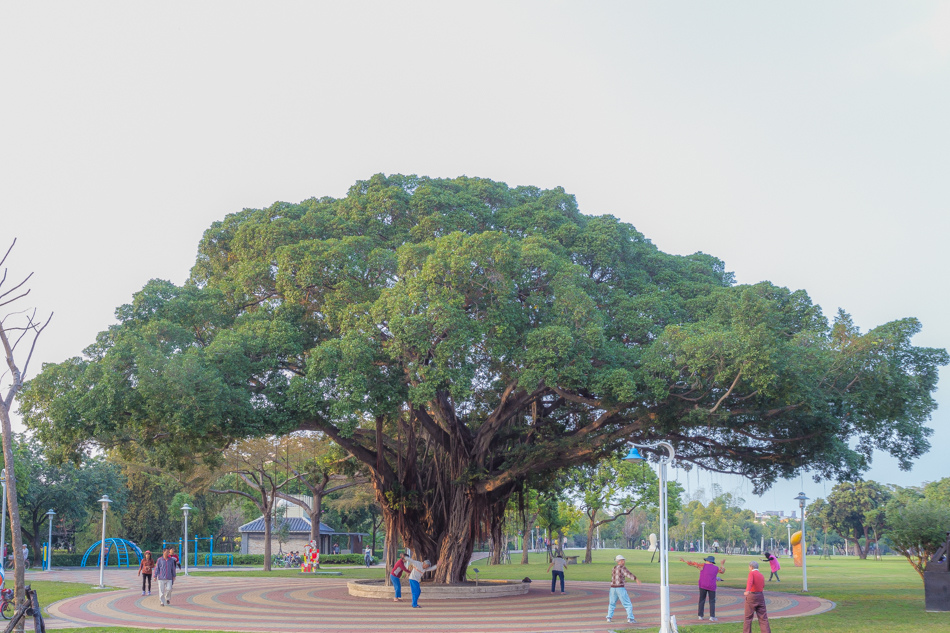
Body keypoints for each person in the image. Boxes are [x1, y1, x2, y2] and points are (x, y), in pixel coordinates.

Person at [680, 555, 726, 622]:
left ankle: (700, 615)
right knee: (712, 601)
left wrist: (684, 561)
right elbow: (722, 571)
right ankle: (712, 616)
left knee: (701, 600)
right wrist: (722, 564)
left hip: (703, 585)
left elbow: (693, 563)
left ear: (708, 561)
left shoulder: (702, 565)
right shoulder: (716, 568)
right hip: (711, 586)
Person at [606, 554, 641, 624]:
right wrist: (636, 578)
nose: (624, 561)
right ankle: (630, 618)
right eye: (623, 560)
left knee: (612, 603)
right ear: (621, 561)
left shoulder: (614, 568)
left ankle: (609, 617)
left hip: (613, 588)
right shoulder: (622, 568)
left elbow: (616, 577)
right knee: (627, 603)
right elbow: (628, 574)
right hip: (620, 588)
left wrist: (623, 580)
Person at [743, 560, 771, 633]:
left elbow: (750, 582)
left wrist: (747, 591)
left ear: (751, 567)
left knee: (748, 618)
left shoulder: (751, 573)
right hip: (760, 596)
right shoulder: (761, 575)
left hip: (752, 596)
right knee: (763, 617)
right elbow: (763, 585)